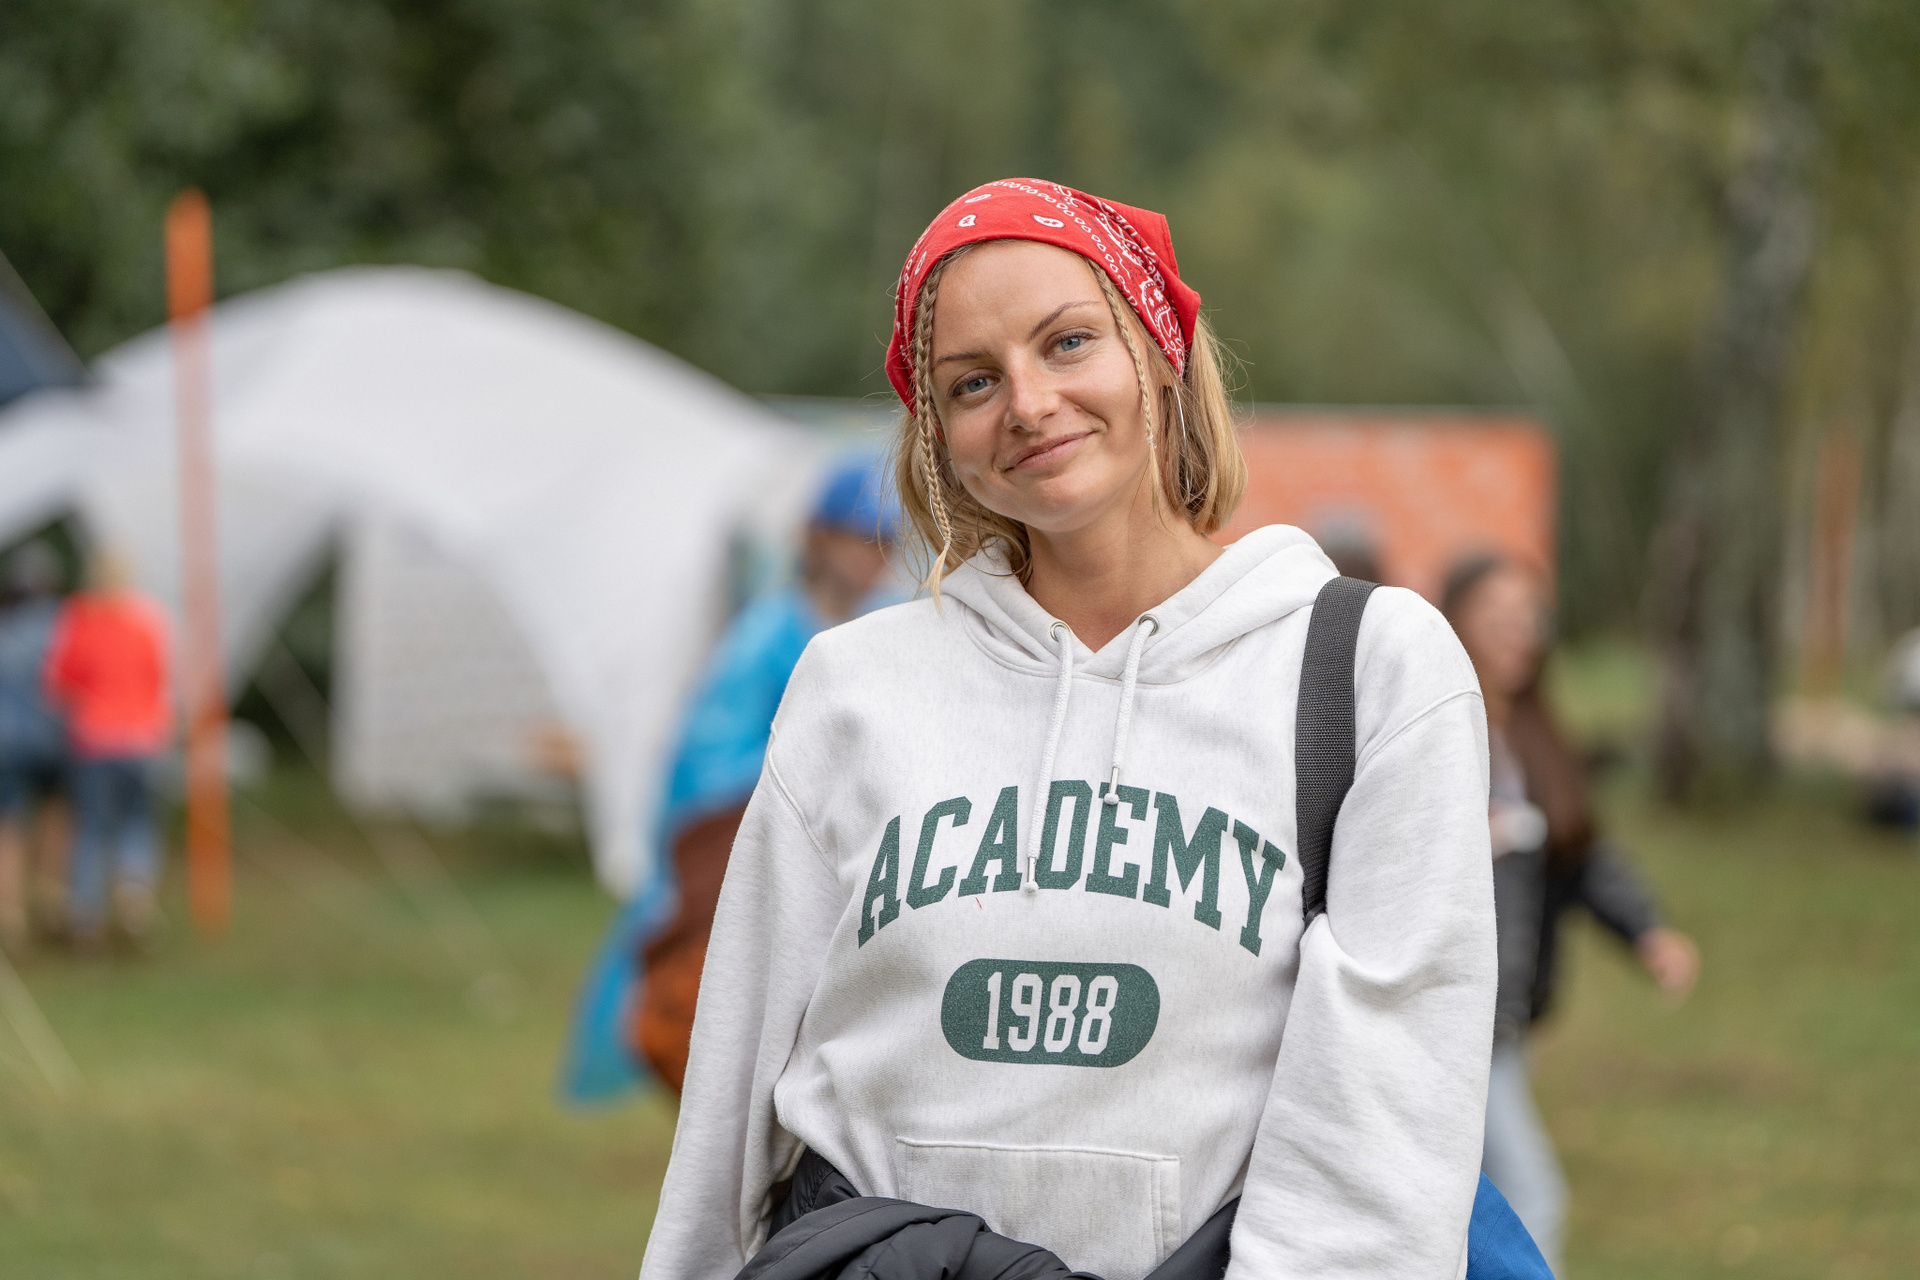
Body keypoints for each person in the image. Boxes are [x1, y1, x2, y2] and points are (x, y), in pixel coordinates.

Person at [640, 180, 1498, 1280]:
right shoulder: (853, 685)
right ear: (939, 436)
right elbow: (732, 1090)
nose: (1029, 402)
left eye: (1068, 342)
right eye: (973, 381)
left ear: (1158, 350)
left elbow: (1382, 1126)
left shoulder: (1365, 669)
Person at [1442, 552, 1699, 1271]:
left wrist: (1647, 932)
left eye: (1529, 619)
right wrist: (1471, 835)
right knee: (1531, 1194)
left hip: (1510, 1020)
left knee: (1466, 1203)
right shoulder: (1431, 728)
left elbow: (1583, 855)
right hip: (1454, 1020)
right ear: (1453, 623)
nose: (1518, 635)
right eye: (1497, 619)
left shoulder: (1537, 741)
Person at [629, 456, 902, 1091]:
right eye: (860, 538)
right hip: (750, 878)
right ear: (816, 536)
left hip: (855, 883)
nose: (873, 558)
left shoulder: (894, 627)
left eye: (886, 543)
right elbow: (705, 769)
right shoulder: (765, 638)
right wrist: (823, 764)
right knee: (725, 1056)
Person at [43, 551, 174, 950]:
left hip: (93, 739)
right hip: (143, 739)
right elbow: (161, 679)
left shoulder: (80, 619)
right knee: (137, 823)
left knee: (93, 828)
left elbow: (57, 681)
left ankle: (87, 918)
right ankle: (133, 894)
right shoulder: (147, 620)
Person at [0, 541, 71, 952]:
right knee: (58, 815)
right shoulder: (63, 625)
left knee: (8, 827)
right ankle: (51, 898)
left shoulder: (4, 629)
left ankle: (10, 914)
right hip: (54, 740)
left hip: (6, 744)